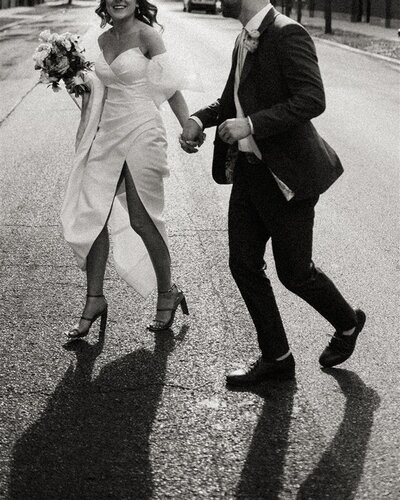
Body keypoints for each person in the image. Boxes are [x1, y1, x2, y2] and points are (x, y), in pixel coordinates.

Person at [180, 0, 366, 385]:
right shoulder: (244, 37)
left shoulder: (287, 33)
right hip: (251, 175)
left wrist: (251, 125)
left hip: (287, 176)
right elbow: (231, 99)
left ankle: (347, 323)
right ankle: (277, 356)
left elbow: (312, 99)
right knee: (243, 263)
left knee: (295, 273)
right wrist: (199, 119)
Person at [61, 0, 191, 339]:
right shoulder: (98, 39)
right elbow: (93, 85)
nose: (119, 0)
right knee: (92, 214)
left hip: (143, 129)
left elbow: (170, 86)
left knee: (141, 217)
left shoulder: (148, 36)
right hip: (107, 130)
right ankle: (94, 299)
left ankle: (167, 293)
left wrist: (188, 124)